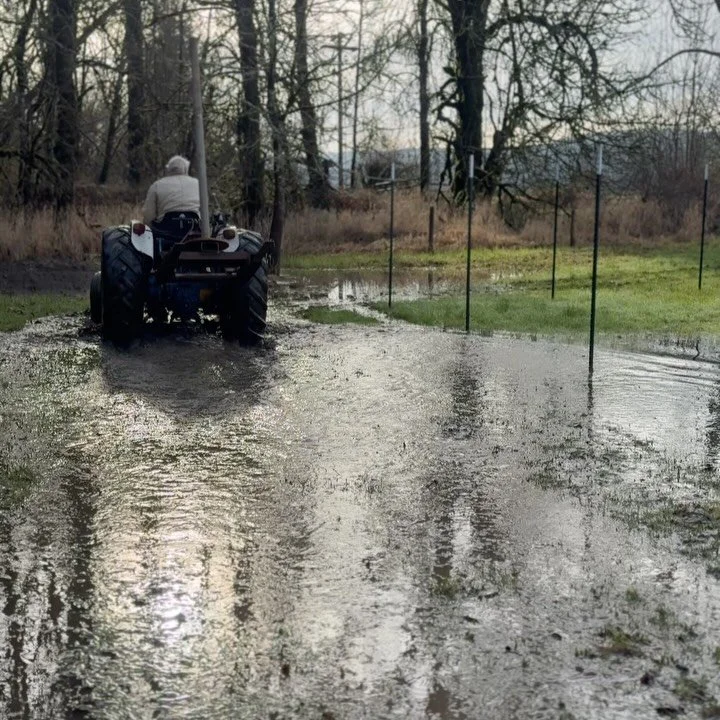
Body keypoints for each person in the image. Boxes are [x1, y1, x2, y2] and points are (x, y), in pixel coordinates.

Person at [142, 155, 200, 227]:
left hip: (165, 229)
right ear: (186, 168)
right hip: (194, 227)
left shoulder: (157, 185)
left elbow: (149, 214)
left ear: (168, 169)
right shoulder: (198, 184)